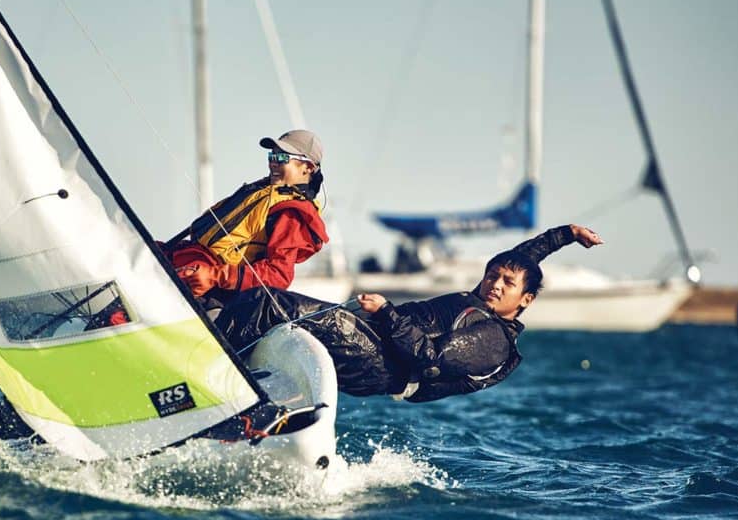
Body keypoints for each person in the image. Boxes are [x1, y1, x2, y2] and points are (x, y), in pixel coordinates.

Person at [214, 224, 604, 402]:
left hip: (383, 366)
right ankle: (211, 329)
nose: (496, 284)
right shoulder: (482, 300)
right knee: (262, 302)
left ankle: (212, 375)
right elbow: (524, 258)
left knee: (274, 303)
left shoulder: (494, 341)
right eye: (492, 275)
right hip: (373, 343)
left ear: (525, 300)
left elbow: (428, 357)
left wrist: (386, 312)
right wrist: (566, 234)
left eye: (507, 283)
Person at [165, 130, 329, 307]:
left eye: (282, 157)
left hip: (208, 295)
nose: (273, 162)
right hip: (182, 266)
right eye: (271, 155)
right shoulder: (261, 191)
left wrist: (214, 276)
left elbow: (278, 274)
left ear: (308, 167)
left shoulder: (291, 212)